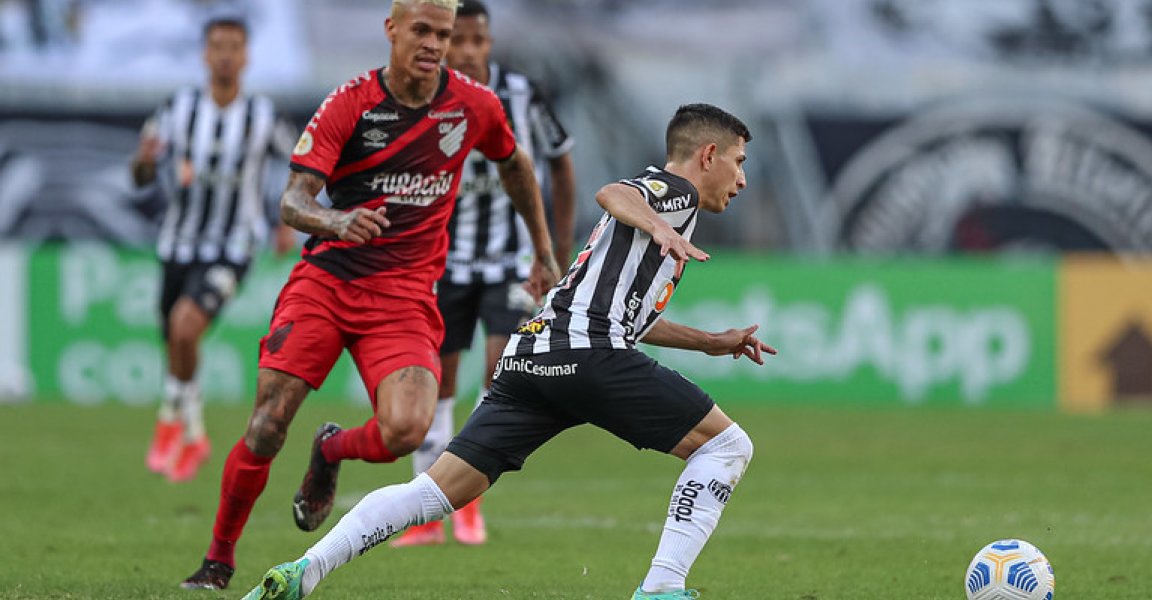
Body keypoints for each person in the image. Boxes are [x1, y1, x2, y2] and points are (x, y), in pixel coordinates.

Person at [239, 103, 775, 600]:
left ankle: (303, 572)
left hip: (531, 357)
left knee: (435, 492)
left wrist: (710, 341)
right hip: (584, 352)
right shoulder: (674, 192)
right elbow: (613, 192)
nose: (743, 179)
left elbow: (626, 316)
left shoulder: (670, 216)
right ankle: (662, 587)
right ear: (708, 155)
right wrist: (659, 223)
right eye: (738, 162)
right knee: (726, 447)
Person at [179, 0, 560, 590]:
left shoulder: (472, 105)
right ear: (392, 30)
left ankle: (332, 450)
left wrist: (543, 249)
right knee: (267, 425)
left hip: (404, 296)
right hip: (327, 284)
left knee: (409, 429)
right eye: (422, 31)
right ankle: (218, 560)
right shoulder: (349, 103)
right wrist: (337, 222)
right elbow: (292, 201)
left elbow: (517, 165)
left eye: (444, 33)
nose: (435, 44)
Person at [394, 0, 576, 548]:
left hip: (512, 262)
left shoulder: (523, 95)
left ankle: (467, 496)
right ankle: (427, 505)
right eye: (460, 41)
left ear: (490, 43)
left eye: (479, 41)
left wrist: (556, 249)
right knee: (437, 379)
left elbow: (562, 163)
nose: (470, 52)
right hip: (444, 262)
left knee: (500, 371)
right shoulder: (424, 95)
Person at [133, 16, 296, 484]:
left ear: (245, 56)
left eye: (234, 47)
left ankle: (169, 419)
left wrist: (285, 221)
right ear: (205, 54)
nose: (225, 55)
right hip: (177, 243)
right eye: (217, 46)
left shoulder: (262, 115)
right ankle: (196, 434)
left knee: (186, 327)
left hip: (233, 245)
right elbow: (140, 174)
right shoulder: (177, 108)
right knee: (176, 340)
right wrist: (143, 162)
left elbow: (299, 163)